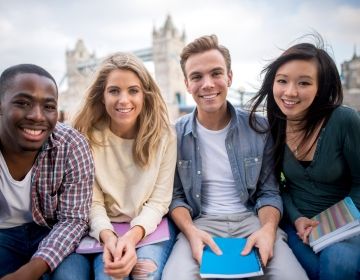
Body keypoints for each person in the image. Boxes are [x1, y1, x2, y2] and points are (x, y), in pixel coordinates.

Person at [162, 35, 308, 280]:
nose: (207, 84)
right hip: (200, 223)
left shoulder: (259, 128)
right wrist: (190, 231)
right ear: (187, 84)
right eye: (197, 77)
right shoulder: (174, 135)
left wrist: (268, 230)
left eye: (216, 73)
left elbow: (268, 192)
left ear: (229, 77)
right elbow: (175, 197)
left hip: (252, 220)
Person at [249, 38, 360, 279]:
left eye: (304, 83)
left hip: (348, 226)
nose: (290, 92)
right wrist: (297, 218)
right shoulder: (275, 125)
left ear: (321, 87)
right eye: (282, 81)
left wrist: (335, 223)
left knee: (338, 261)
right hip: (298, 227)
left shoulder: (344, 121)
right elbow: (278, 186)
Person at [73, 52, 177, 280]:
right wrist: (109, 238)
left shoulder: (165, 137)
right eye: (114, 91)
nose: (123, 100)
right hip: (103, 229)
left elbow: (159, 202)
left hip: (150, 228)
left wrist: (131, 238)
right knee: (109, 276)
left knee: (145, 275)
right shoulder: (86, 138)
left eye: (133, 90)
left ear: (145, 95)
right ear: (102, 96)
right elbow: (93, 203)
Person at [0, 64, 94, 280]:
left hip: (52, 230)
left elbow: (74, 220)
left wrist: (29, 272)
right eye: (23, 103)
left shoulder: (71, 144)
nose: (37, 116)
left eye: (49, 106)